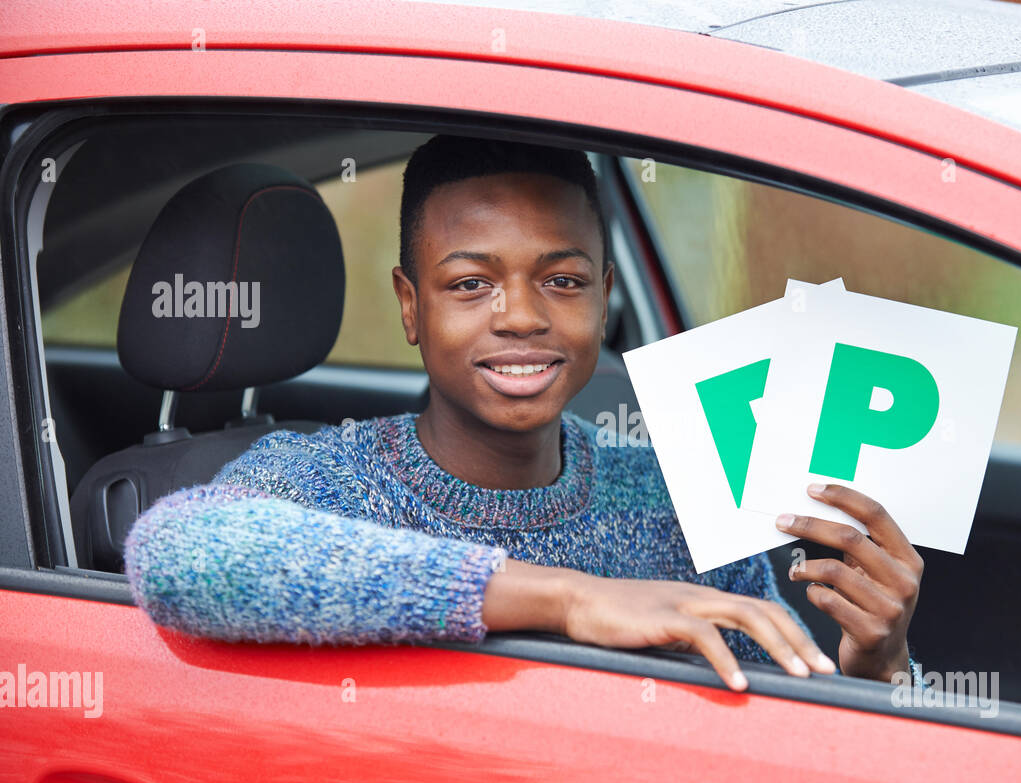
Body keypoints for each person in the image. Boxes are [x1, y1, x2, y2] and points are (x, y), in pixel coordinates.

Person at [123, 134, 925, 693]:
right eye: (470, 283)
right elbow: (177, 554)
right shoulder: (328, 478)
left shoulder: (676, 496)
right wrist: (570, 599)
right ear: (411, 307)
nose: (519, 317)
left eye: (563, 281)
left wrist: (878, 666)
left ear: (605, 299)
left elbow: (793, 732)